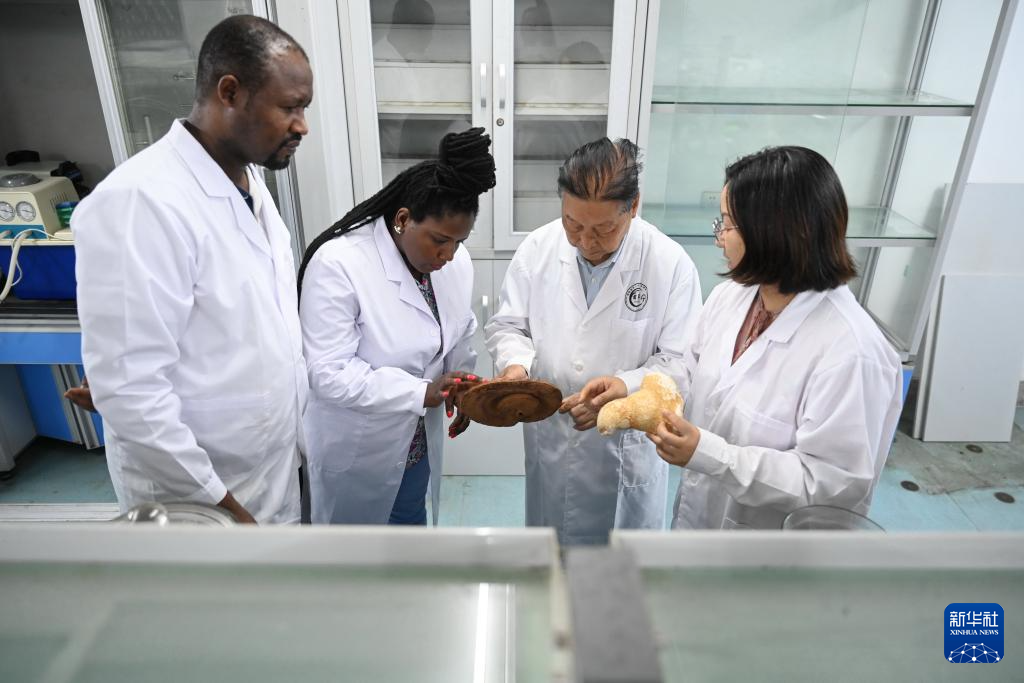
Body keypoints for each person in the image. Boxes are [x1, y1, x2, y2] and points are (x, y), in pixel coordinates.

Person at [581, 146, 904, 530]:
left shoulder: (853, 353)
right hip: (702, 524)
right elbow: (688, 371)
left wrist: (709, 454)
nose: (720, 238)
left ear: (777, 233)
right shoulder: (731, 298)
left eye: (728, 224)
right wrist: (629, 387)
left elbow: (830, 486)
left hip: (774, 552)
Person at [73, 15, 312, 524]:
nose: (302, 126)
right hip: (197, 495)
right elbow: (132, 390)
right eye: (290, 107)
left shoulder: (248, 184)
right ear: (230, 92)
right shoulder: (139, 201)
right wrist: (226, 509)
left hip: (267, 472)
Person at [485, 138, 702, 545]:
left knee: (620, 567)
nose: (586, 241)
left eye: (604, 229)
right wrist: (515, 366)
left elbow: (680, 363)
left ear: (633, 207)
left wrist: (625, 388)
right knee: (553, 559)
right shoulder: (537, 249)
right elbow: (508, 326)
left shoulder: (670, 264)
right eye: (573, 224)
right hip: (553, 436)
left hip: (623, 452)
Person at [298, 128, 496, 525]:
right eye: (439, 240)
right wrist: (421, 392)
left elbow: (459, 329)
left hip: (415, 445)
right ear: (404, 219)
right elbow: (329, 373)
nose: (448, 255)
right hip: (359, 450)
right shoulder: (339, 264)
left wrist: (462, 387)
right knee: (354, 549)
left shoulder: (454, 263)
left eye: (459, 242)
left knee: (410, 538)